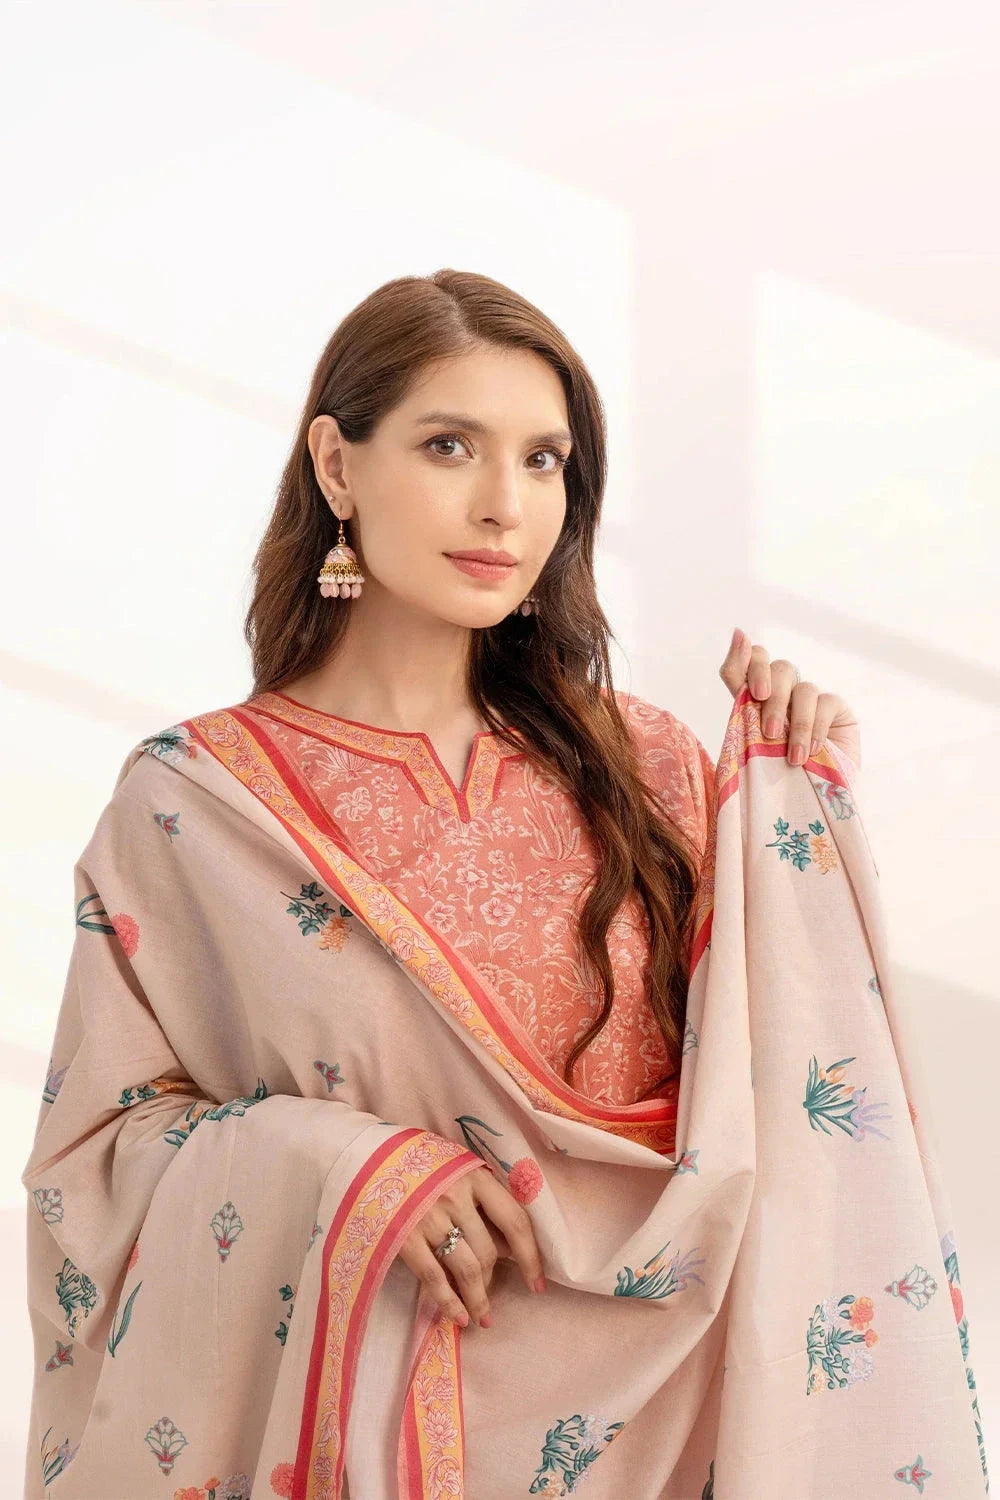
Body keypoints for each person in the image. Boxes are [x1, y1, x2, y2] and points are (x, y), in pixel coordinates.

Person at [21, 270, 988, 1500]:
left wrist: (799, 814)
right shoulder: (195, 805)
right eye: (449, 446)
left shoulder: (651, 768)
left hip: (676, 1432)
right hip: (370, 1434)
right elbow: (93, 1167)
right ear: (335, 466)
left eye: (543, 461)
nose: (504, 506)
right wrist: (344, 1168)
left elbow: (776, 1106)